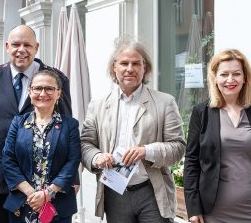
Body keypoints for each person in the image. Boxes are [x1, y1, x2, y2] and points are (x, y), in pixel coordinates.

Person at [0, 24, 72, 223]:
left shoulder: (56, 79)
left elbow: (67, 131)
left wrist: (73, 180)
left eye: (27, 45)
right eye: (16, 44)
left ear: (37, 47)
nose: (21, 50)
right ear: (7, 47)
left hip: (42, 183)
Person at [80, 39, 186, 222]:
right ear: (114, 67)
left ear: (145, 68)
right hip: (114, 191)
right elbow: (86, 144)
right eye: (124, 63)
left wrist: (147, 151)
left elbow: (178, 147)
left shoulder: (165, 102)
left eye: (136, 63)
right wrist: (97, 157)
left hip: (152, 191)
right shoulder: (97, 105)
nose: (130, 68)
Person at [183, 49, 251, 223]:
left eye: (236, 74)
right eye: (224, 74)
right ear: (215, 78)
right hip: (212, 212)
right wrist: (193, 208)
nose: (230, 80)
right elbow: (192, 161)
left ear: (245, 78)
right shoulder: (201, 112)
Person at [2, 70, 81, 223]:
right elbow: (8, 160)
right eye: (37, 88)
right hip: (23, 203)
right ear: (30, 92)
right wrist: (32, 194)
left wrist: (47, 194)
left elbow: (73, 162)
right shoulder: (18, 123)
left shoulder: (70, 125)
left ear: (59, 94)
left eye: (49, 89)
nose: (43, 93)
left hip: (57, 207)